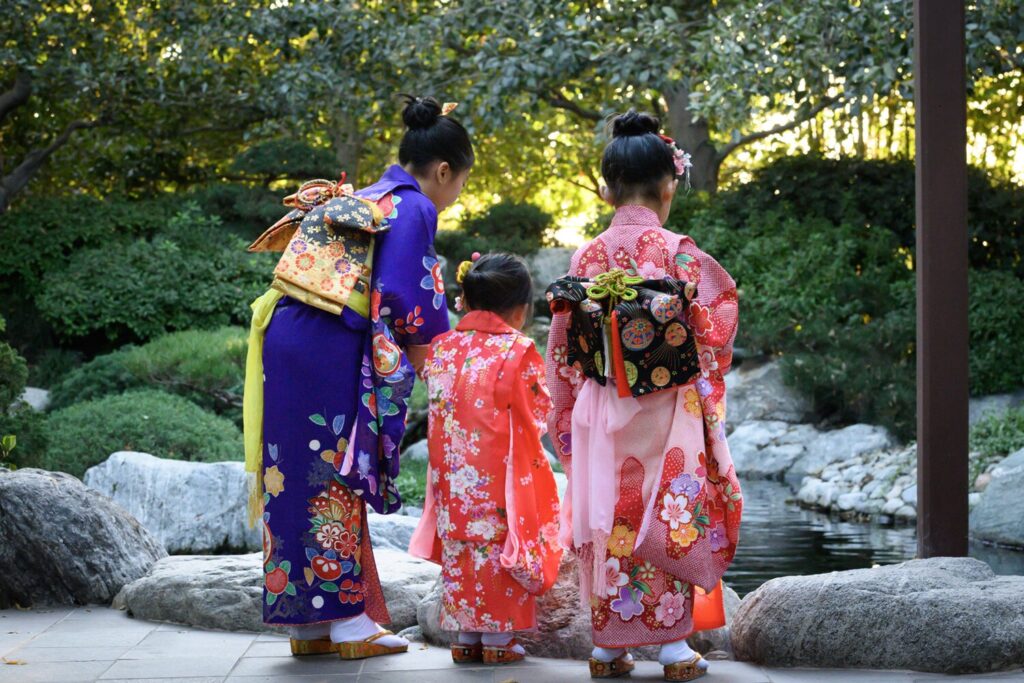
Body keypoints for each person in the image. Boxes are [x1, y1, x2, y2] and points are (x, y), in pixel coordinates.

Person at [242, 95, 472, 659]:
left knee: (291, 473)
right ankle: (347, 623)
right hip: (329, 345)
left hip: (290, 332)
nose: (458, 192)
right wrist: (441, 379)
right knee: (336, 470)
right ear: (443, 171)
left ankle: (309, 626)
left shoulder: (368, 196)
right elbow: (409, 302)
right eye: (462, 180)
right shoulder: (413, 207)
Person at [545, 111, 742, 681]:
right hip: (668, 406)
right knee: (671, 509)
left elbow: (562, 348)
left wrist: (565, 414)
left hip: (602, 408)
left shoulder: (586, 257)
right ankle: (674, 648)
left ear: (607, 188)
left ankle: (609, 646)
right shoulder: (678, 252)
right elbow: (715, 321)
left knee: (612, 512)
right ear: (668, 184)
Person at [409, 253, 563, 665]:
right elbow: (536, 414)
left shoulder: (441, 348)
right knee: (500, 545)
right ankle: (498, 641)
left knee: (462, 547)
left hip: (451, 477)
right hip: (498, 477)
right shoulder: (518, 350)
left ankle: (465, 635)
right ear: (519, 308)